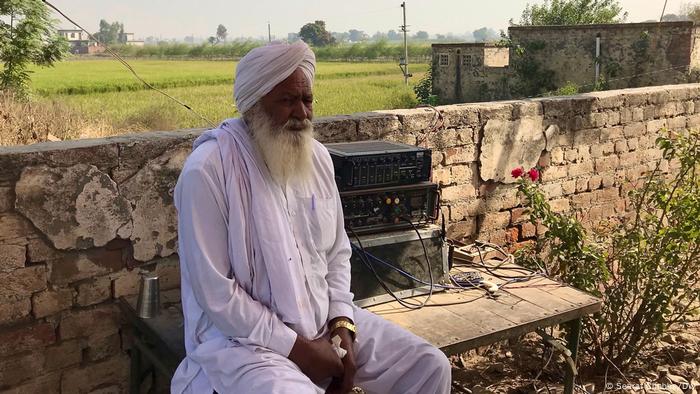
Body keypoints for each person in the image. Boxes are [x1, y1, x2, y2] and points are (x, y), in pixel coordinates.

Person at [171, 41, 451, 394]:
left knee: (428, 366)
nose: (302, 113)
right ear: (254, 104)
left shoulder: (317, 158)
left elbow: (336, 253)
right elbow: (217, 295)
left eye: (307, 100)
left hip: (322, 317)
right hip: (244, 342)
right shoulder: (208, 170)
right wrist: (300, 350)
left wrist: (342, 323)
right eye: (288, 101)